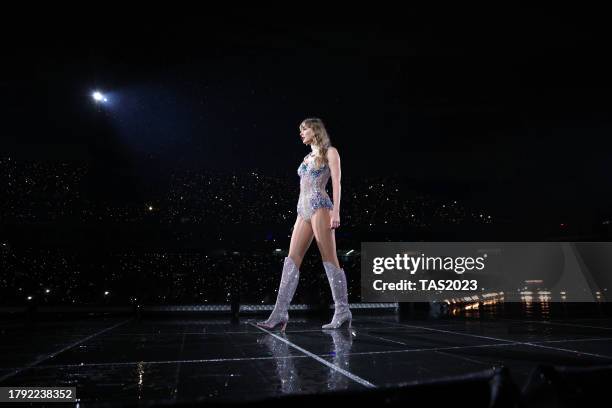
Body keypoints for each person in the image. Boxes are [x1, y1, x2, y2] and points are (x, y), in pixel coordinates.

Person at [256, 118, 351, 331]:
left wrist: (336, 211)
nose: (301, 133)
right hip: (303, 209)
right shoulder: (307, 157)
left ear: (315, 130)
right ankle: (279, 313)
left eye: (304, 129)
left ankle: (342, 310)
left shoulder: (331, 152)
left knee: (329, 258)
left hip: (321, 206)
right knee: (291, 259)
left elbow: (337, 182)